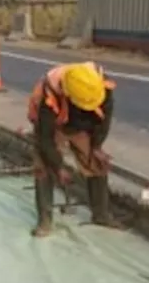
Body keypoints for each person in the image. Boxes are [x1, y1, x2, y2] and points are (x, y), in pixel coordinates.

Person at [27, 61, 122, 237]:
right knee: (43, 167)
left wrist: (96, 146)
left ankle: (101, 215)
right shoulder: (49, 94)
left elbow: (104, 120)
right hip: (55, 124)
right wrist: (58, 166)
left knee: (96, 164)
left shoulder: (99, 85)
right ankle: (45, 221)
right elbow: (45, 138)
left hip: (81, 126)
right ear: (68, 95)